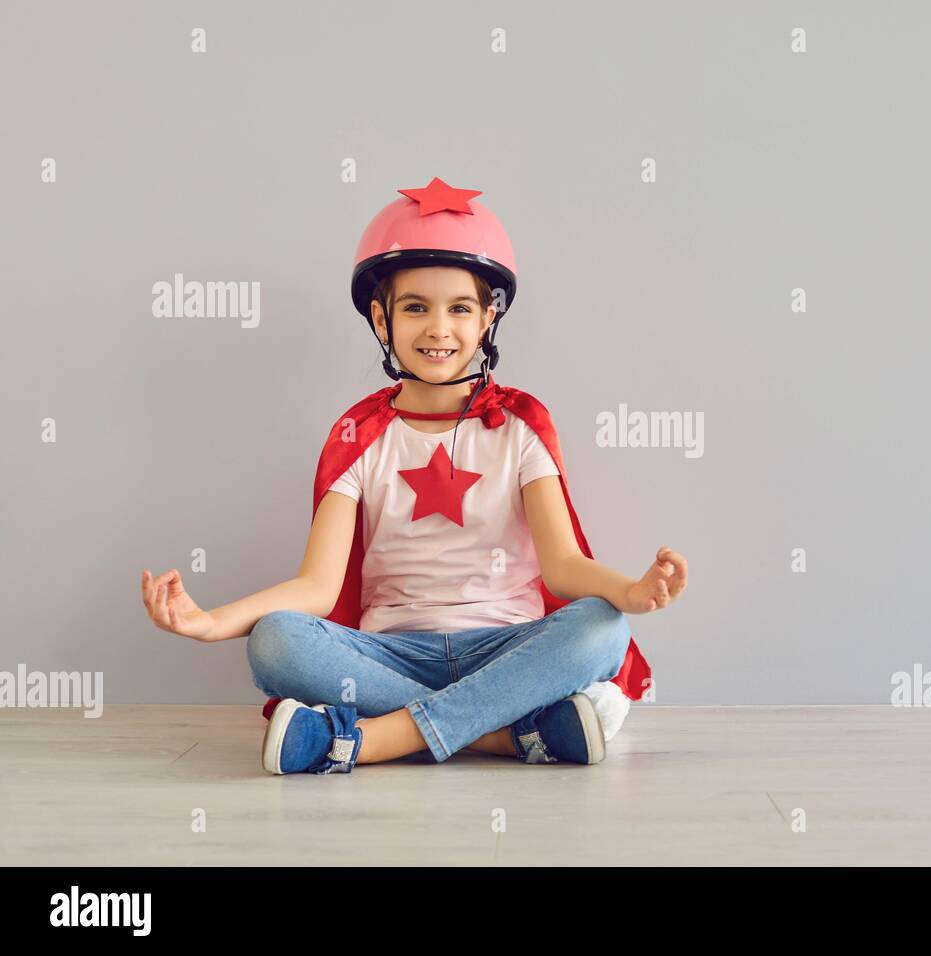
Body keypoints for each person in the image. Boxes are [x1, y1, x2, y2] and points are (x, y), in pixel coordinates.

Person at [139, 175, 687, 775]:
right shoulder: (360, 436)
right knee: (275, 641)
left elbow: (562, 567)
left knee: (603, 626)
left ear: (487, 319)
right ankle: (508, 735)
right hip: (389, 653)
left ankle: (364, 741)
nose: (438, 328)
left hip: (504, 649)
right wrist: (213, 622)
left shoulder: (518, 425)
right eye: (415, 307)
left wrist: (629, 592)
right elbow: (318, 588)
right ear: (382, 318)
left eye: (459, 309)